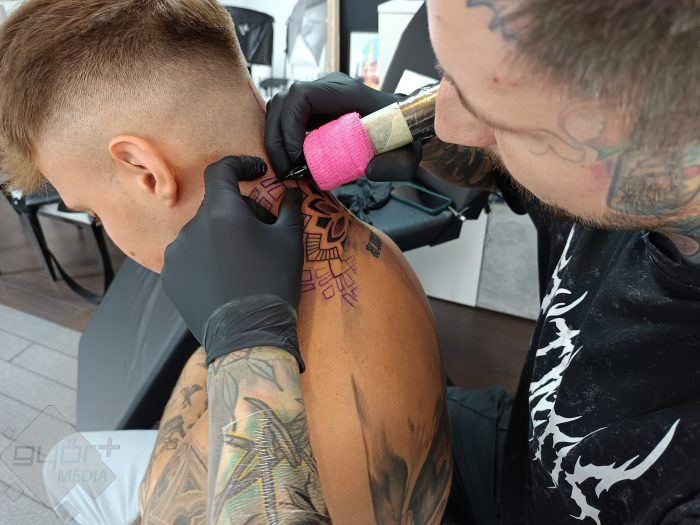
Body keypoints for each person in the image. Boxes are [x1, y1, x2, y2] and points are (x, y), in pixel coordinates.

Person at [0, 1, 451, 523]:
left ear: (146, 172)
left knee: (61, 465)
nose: (103, 225)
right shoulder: (377, 252)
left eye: (93, 211)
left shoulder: (325, 442)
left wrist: (242, 339)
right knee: (63, 462)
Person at [266, 1, 700, 524]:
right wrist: (398, 120)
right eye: (449, 76)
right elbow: (511, 170)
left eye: (501, 118)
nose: (447, 124)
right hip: (523, 453)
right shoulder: (629, 182)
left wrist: (244, 342)